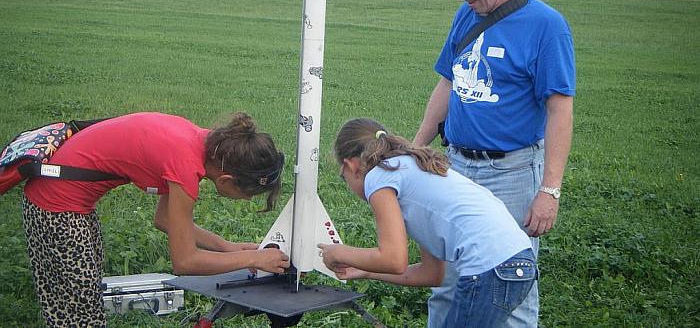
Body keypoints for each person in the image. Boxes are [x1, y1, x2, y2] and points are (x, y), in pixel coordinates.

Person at [414, 0, 576, 327]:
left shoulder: (546, 26)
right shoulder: (465, 16)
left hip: (513, 174)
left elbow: (560, 110)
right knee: (446, 282)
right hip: (456, 169)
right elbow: (448, 82)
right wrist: (416, 147)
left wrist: (550, 190)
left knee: (511, 289)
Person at [21, 111, 290, 327]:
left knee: (77, 292)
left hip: (57, 194)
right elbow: (185, 262)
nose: (245, 200)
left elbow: (163, 219)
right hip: (57, 205)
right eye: (247, 194)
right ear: (226, 179)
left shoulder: (198, 142)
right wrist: (252, 259)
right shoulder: (185, 168)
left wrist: (226, 247)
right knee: (81, 308)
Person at [319, 118, 537, 327]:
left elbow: (393, 259)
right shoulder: (413, 169)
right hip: (517, 260)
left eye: (343, 176)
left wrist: (339, 253)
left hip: (489, 268)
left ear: (351, 165)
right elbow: (432, 274)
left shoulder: (379, 176)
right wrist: (365, 271)